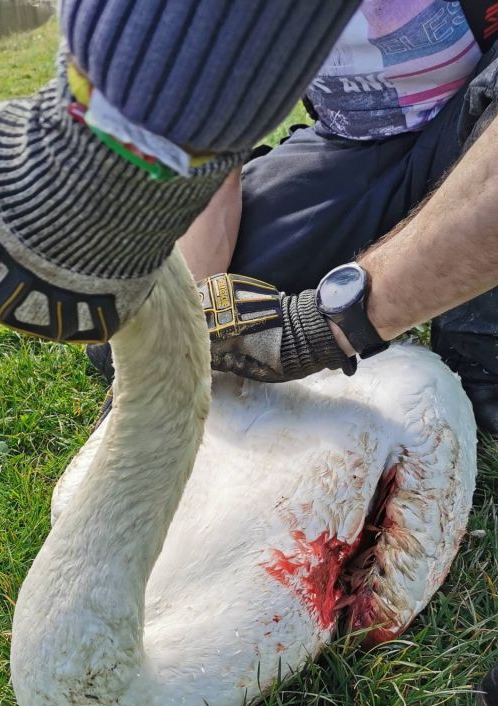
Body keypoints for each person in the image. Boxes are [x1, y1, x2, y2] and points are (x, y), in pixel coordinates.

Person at [89, 1, 498, 436]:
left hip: (481, 117)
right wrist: (177, 337)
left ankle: (479, 349)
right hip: (356, 145)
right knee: (152, 324)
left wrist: (324, 326)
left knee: (479, 394)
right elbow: (208, 159)